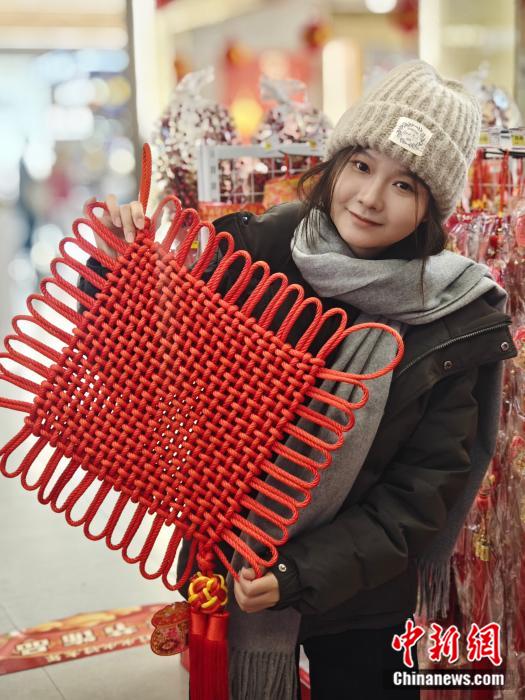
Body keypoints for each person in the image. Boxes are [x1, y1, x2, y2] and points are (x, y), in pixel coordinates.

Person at [78, 60, 517, 699]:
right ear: (335, 164)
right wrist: (113, 270)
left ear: (433, 207)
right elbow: (148, 365)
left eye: (404, 184)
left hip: (365, 595)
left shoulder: (454, 318)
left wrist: (297, 572)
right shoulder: (256, 251)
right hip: (233, 559)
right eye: (361, 165)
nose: (369, 197)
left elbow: (422, 494)